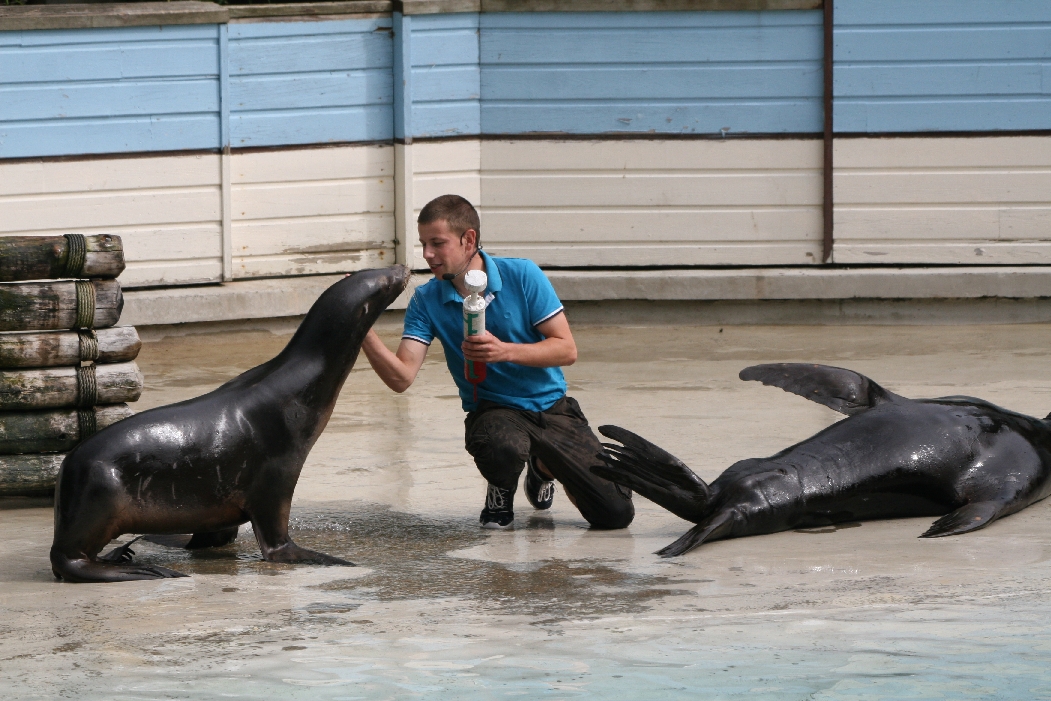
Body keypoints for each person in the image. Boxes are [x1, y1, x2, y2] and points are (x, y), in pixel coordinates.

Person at [361, 194, 634, 530]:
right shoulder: (427, 299)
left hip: (551, 407)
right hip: (493, 410)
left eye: (437, 243)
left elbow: (566, 350)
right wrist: (361, 329)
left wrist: (504, 351)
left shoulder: (522, 274)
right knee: (499, 444)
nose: (427, 255)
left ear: (469, 239)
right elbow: (401, 377)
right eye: (423, 244)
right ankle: (499, 490)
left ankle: (542, 468)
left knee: (615, 514)